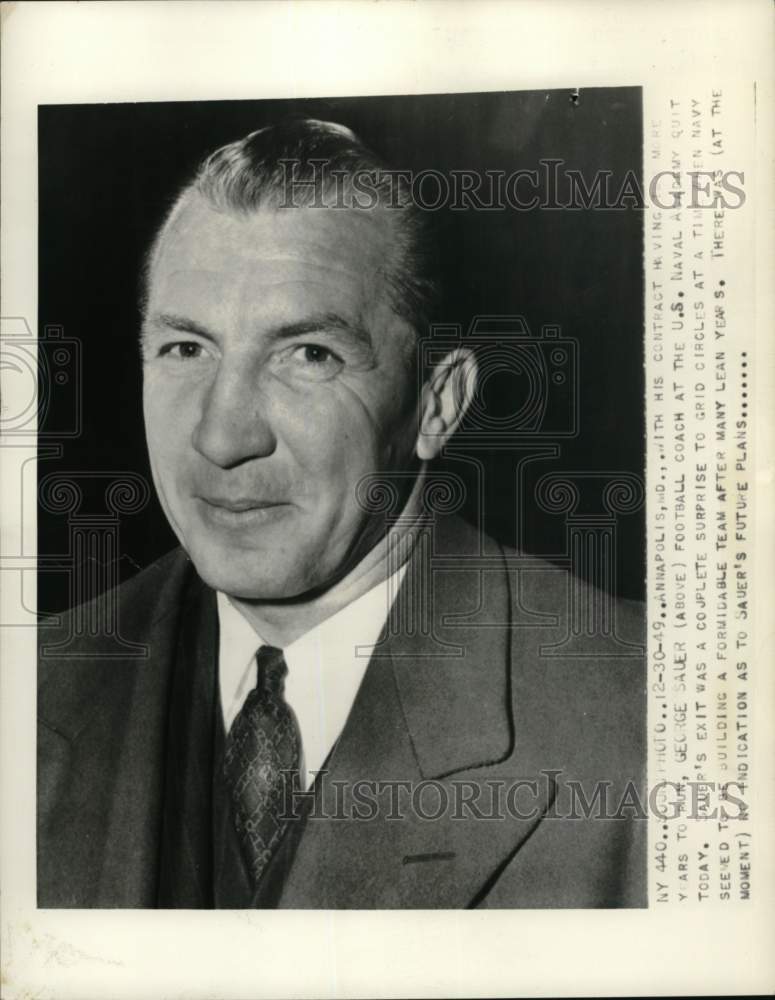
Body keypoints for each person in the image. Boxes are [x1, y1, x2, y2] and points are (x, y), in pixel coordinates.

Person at [37, 118, 646, 909]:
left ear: (437, 403)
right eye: (186, 349)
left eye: (307, 355)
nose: (222, 438)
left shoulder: (650, 723)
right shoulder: (34, 688)